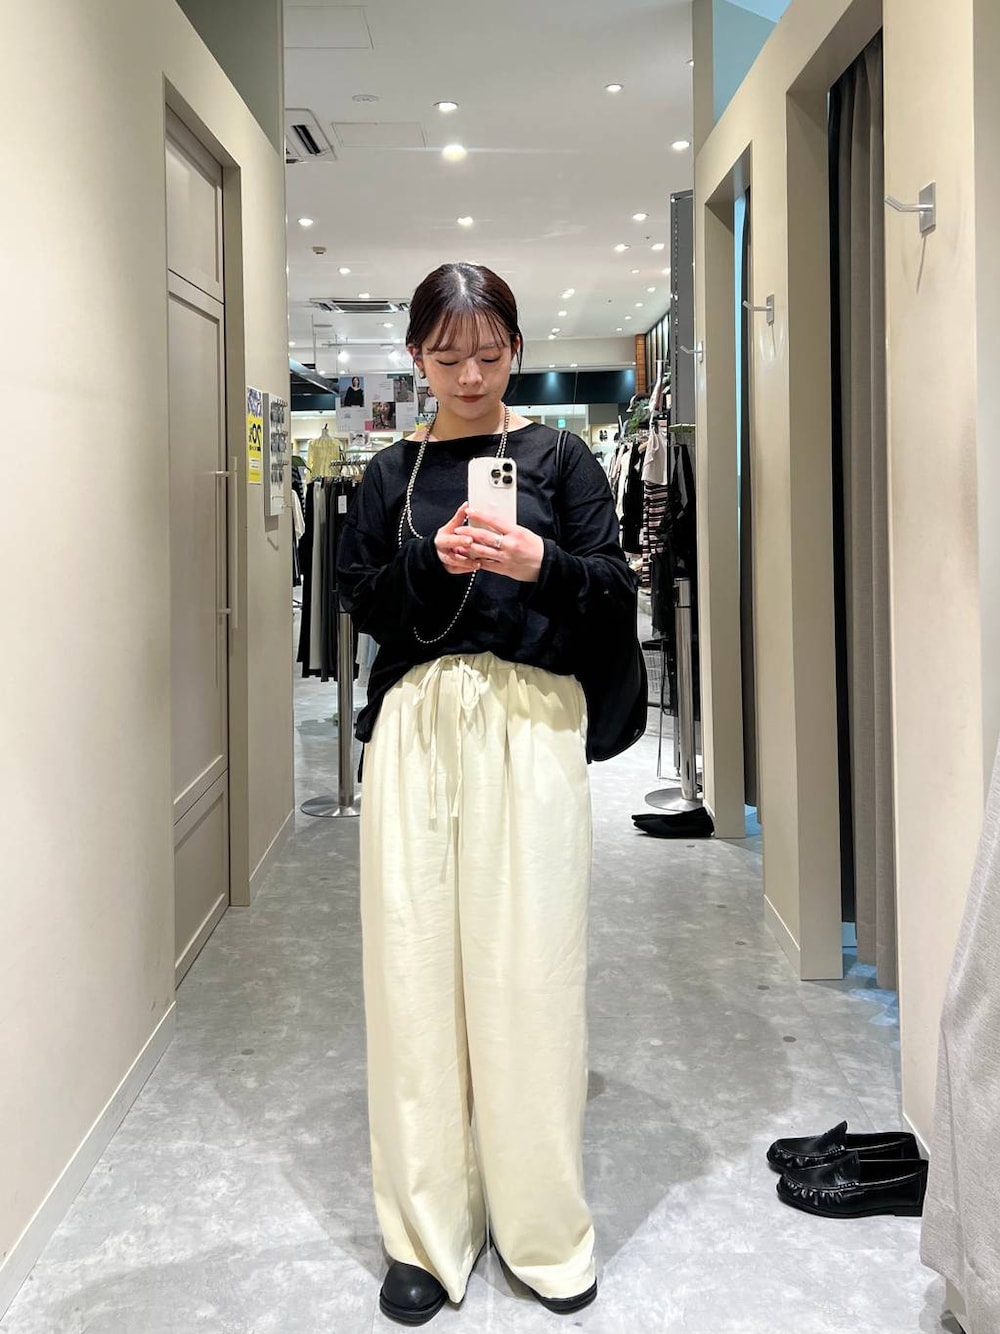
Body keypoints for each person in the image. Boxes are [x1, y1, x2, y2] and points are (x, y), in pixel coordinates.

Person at [337, 262, 636, 1325]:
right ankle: (425, 1232)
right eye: (447, 355)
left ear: (516, 347)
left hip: (532, 724)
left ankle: (541, 1225)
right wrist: (436, 563)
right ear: (415, 357)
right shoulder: (388, 472)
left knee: (531, 972)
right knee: (413, 972)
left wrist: (536, 560)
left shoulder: (559, 456)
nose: (470, 375)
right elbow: (362, 599)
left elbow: (614, 585)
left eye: (490, 353)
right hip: (418, 729)